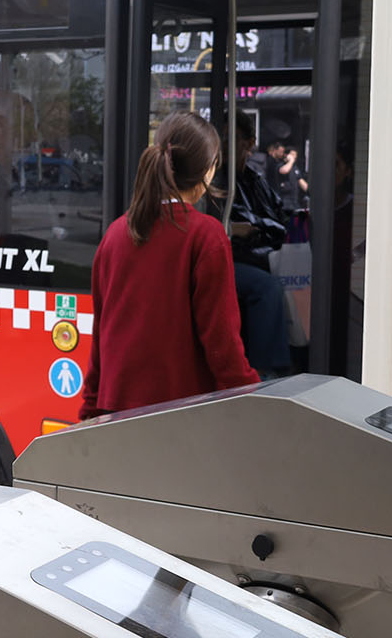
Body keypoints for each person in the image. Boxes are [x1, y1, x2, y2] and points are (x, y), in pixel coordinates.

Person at [79, 111, 258, 420]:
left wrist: (90, 411)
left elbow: (102, 336)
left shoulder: (115, 234)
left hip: (115, 418)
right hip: (180, 419)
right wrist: (252, 399)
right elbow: (222, 343)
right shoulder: (206, 235)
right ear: (208, 171)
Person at [213, 114, 291, 377]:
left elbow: (279, 220)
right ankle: (264, 372)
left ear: (249, 143)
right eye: (220, 138)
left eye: (230, 138)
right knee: (266, 287)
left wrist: (261, 229)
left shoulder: (255, 180)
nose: (223, 145)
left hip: (260, 255)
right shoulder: (216, 180)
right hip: (229, 259)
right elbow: (240, 224)